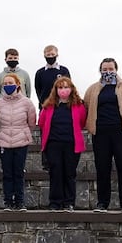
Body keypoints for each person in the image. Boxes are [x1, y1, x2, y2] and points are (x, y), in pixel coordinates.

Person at [83, 58, 122, 213]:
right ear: (100, 70)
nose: (108, 72)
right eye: (104, 69)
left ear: (116, 70)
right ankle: (102, 203)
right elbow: (86, 107)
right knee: (102, 167)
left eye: (111, 69)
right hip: (100, 133)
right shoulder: (93, 89)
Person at [39, 76, 87, 212]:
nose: (63, 90)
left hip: (72, 145)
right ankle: (55, 202)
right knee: (55, 173)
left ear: (71, 89)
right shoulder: (48, 106)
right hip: (53, 145)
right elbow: (41, 122)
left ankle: (69, 202)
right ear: (55, 90)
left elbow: (82, 122)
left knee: (69, 173)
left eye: (66, 87)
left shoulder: (79, 105)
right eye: (60, 87)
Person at [0, 73, 37, 211]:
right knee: (7, 173)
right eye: (5, 84)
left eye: (10, 83)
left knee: (19, 172)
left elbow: (31, 122)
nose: (8, 86)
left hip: (21, 142)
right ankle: (8, 201)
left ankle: (20, 201)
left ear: (18, 84)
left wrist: (23, 133)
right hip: (3, 141)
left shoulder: (27, 102)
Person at [35, 45, 71, 110]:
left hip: (61, 106)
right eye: (48, 55)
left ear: (57, 55)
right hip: (45, 106)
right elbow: (38, 89)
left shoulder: (64, 71)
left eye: (52, 54)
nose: (50, 57)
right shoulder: (40, 72)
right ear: (44, 56)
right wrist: (42, 102)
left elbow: (69, 87)